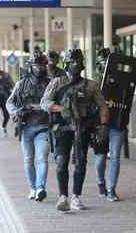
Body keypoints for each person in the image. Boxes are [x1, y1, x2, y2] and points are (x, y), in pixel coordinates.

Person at [40, 49, 109, 211]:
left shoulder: (91, 85)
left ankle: (76, 197)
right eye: (72, 63)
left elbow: (103, 107)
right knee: (61, 162)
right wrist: (60, 108)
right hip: (63, 129)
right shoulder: (57, 82)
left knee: (80, 162)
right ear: (66, 64)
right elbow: (44, 102)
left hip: (83, 128)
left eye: (78, 62)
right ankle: (63, 197)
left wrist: (104, 126)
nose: (75, 66)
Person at [6, 51, 50, 201]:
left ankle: (40, 188)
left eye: (42, 65)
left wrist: (37, 107)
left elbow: (54, 104)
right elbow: (9, 102)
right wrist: (15, 112)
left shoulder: (50, 84)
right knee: (28, 159)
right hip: (25, 128)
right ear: (30, 67)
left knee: (42, 157)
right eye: (36, 65)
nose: (39, 68)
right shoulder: (21, 84)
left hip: (44, 126)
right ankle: (32, 188)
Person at [93, 48, 126, 202]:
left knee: (115, 157)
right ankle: (101, 182)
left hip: (117, 123)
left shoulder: (121, 79)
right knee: (100, 158)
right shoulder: (94, 83)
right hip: (101, 124)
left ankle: (112, 189)